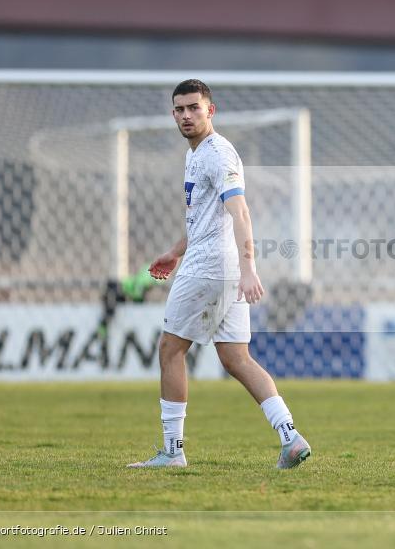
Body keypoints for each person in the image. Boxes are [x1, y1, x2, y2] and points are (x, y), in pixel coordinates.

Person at [128, 79, 310, 469]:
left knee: (170, 349)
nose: (186, 115)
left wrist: (249, 268)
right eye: (179, 109)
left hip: (212, 268)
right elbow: (204, 219)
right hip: (217, 266)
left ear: (211, 110)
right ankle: (290, 437)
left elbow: (240, 212)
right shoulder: (195, 154)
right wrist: (175, 252)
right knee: (236, 358)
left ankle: (172, 453)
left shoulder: (217, 155)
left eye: (194, 107)